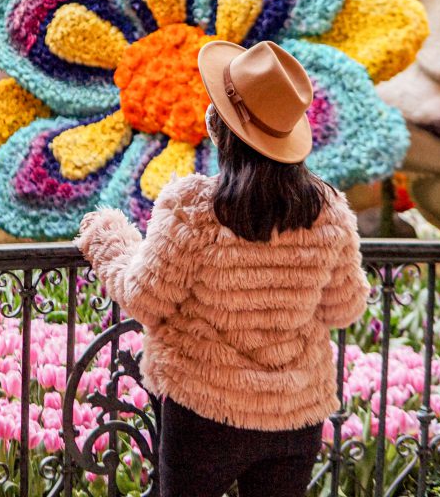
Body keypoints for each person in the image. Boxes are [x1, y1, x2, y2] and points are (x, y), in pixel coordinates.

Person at [77, 39, 369, 497]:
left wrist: (108, 237)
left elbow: (146, 297)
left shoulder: (194, 206)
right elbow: (345, 306)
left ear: (223, 129)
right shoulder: (328, 211)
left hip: (205, 411)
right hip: (295, 415)